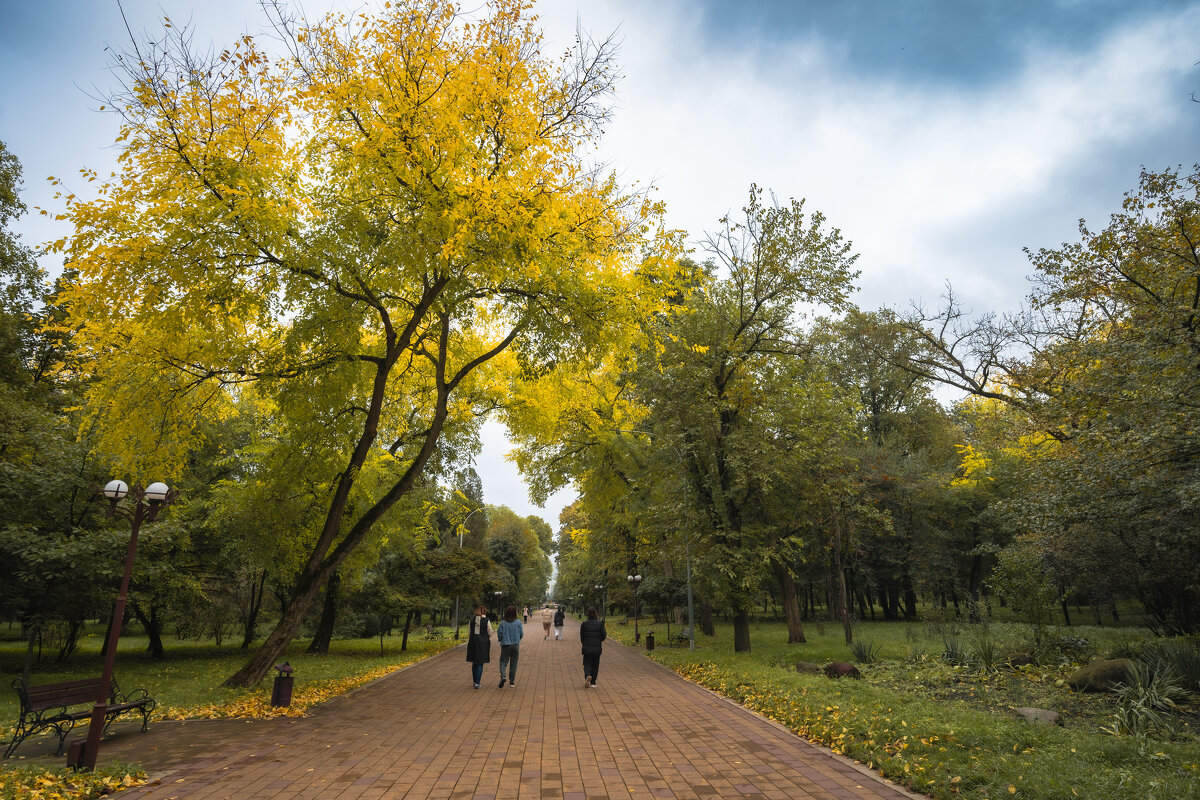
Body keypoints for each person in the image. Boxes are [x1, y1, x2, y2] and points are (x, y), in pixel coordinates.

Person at [496, 604, 524, 688]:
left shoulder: (503, 623)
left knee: (503, 662)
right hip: (515, 645)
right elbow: (521, 634)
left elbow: (499, 633)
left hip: (505, 645)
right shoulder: (518, 622)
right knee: (514, 663)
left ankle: (503, 676)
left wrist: (501, 639)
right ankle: (512, 682)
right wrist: (517, 639)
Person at [466, 604, 491, 689]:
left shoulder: (472, 620)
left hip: (473, 643)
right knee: (480, 663)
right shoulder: (486, 620)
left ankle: (474, 681)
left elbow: (469, 632)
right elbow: (490, 632)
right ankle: (477, 683)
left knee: (474, 662)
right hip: (483, 644)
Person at [579, 606, 606, 688]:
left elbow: (582, 637)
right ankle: (593, 682)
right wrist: (598, 640)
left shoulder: (584, 623)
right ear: (596, 614)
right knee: (595, 664)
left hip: (587, 647)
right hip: (597, 648)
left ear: (587, 614)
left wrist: (585, 643)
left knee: (587, 664)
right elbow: (603, 636)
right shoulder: (600, 624)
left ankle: (587, 675)